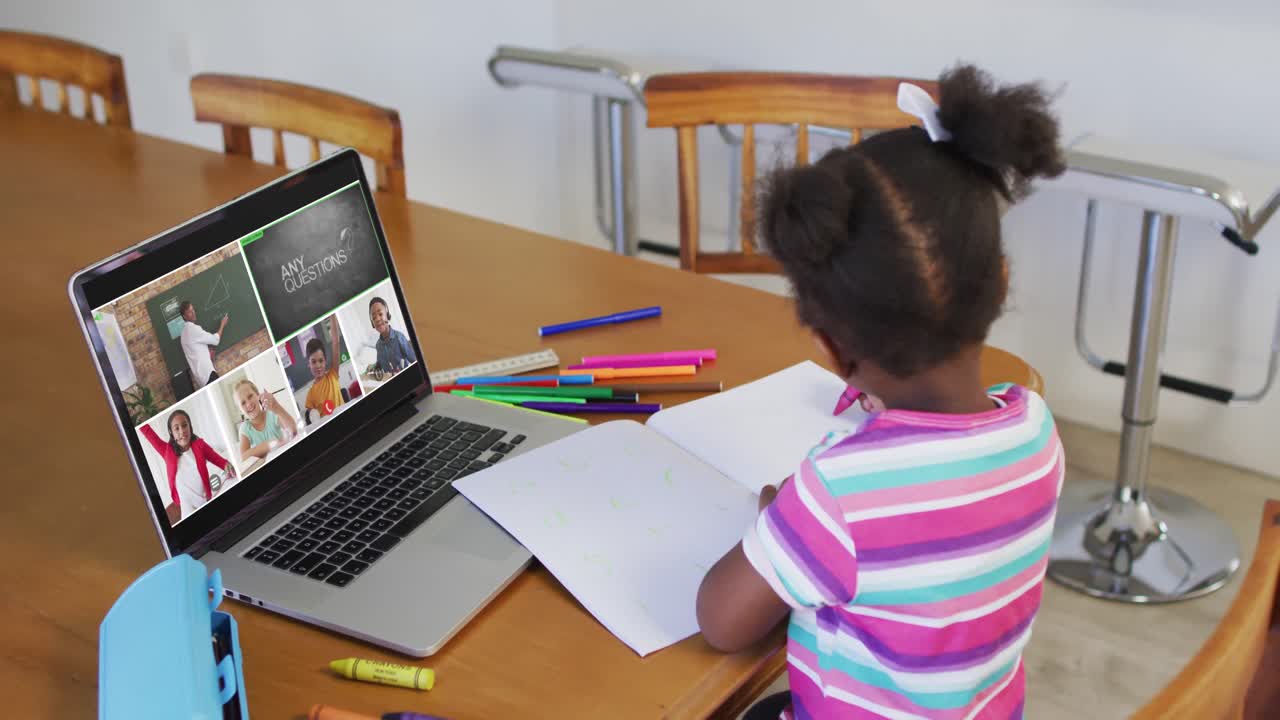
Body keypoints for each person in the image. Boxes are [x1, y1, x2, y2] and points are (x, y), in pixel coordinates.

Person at [698, 65, 1068, 720]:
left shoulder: (838, 496)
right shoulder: (1037, 430)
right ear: (1000, 283)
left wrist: (780, 522)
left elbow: (721, 622)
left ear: (830, 346)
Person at [139, 408, 235, 520]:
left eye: (184, 425)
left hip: (206, 500)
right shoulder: (167, 451)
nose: (182, 431)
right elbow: (148, 434)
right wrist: (140, 421)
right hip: (187, 508)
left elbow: (220, 461)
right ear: (171, 433)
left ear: (190, 427)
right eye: (176, 428)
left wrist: (227, 466)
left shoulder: (200, 445)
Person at [234, 379, 299, 462]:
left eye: (250, 396)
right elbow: (244, 457)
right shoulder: (245, 428)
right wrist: (268, 445)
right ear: (240, 410)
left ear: (258, 395)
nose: (248, 404)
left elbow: (293, 430)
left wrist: (276, 407)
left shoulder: (271, 414)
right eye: (243, 403)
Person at [178, 300, 228, 390]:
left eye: (193, 310)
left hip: (201, 380)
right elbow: (215, 340)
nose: (193, 313)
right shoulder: (193, 329)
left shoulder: (183, 335)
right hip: (208, 375)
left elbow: (195, 352)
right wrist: (222, 324)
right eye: (189, 312)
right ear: (184, 316)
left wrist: (207, 354)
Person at [304, 317, 346, 421]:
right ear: (308, 364)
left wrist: (332, 315)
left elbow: (336, 342)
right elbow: (311, 420)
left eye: (321, 361)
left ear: (325, 361)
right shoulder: (310, 395)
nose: (318, 365)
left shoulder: (333, 374)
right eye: (313, 362)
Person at [368, 296, 413, 374]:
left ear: (387, 315)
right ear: (373, 324)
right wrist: (373, 367)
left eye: (380, 314)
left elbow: (414, 360)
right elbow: (380, 363)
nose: (377, 319)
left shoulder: (399, 337)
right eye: (374, 318)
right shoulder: (378, 345)